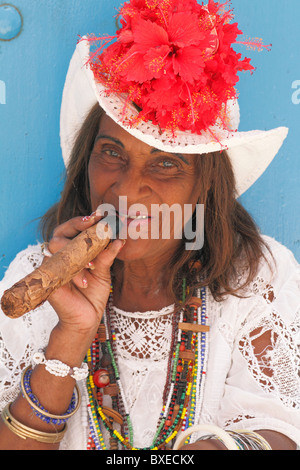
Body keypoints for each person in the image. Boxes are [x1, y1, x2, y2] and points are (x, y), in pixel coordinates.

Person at [0, 0, 299, 451]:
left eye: (165, 164)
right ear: (88, 160)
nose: (128, 189)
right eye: (112, 152)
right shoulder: (36, 275)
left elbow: (279, 430)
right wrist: (70, 335)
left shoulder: (256, 275)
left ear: (203, 188)